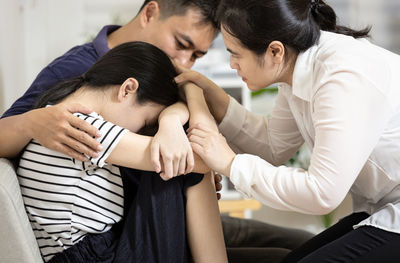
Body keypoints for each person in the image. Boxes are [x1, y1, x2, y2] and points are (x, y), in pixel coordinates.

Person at [0, 0, 313, 262]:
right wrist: (32, 123)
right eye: (181, 44)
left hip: (145, 221)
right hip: (122, 234)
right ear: (149, 13)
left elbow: (181, 123)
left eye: (196, 57)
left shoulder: (96, 93)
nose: (184, 63)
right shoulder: (77, 101)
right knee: (185, 163)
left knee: (303, 246)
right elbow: (196, 159)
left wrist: (170, 122)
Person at [175, 0, 400, 262]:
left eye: (235, 53)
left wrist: (230, 164)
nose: (232, 64)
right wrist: (213, 96)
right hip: (382, 203)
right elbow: (273, 146)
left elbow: (322, 193)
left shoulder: (340, 76)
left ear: (274, 52)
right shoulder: (296, 65)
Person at [18, 41, 227, 263]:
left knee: (174, 150)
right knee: (182, 156)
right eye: (147, 121)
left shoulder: (57, 113)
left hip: (88, 252)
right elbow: (204, 159)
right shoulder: (86, 129)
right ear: (127, 89)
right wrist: (193, 94)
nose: (141, 129)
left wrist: (170, 121)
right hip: (94, 258)